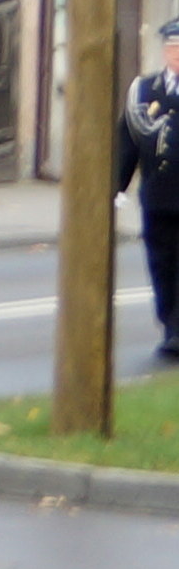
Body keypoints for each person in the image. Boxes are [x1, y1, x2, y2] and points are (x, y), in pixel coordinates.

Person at [127, 19, 179, 360]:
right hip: (158, 197)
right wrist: (115, 188)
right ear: (165, 51)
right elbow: (128, 140)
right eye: (173, 48)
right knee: (161, 265)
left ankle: (176, 332)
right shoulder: (146, 89)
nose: (177, 55)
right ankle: (169, 322)